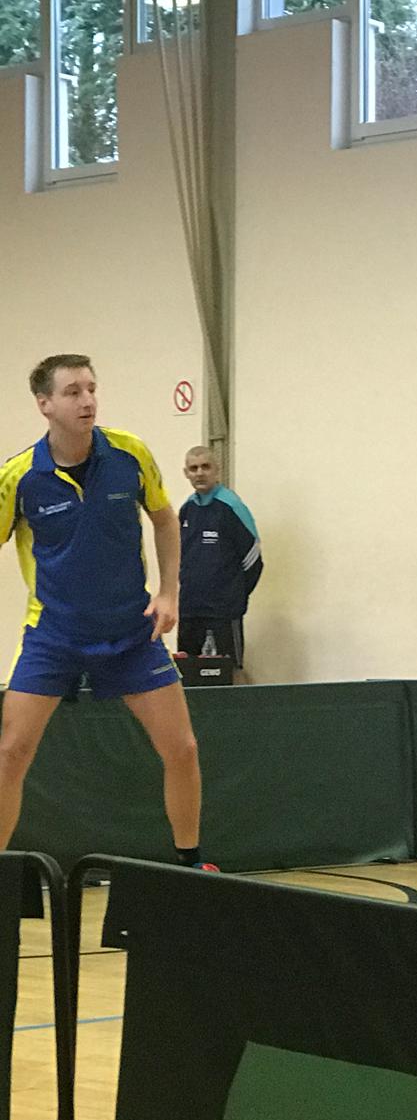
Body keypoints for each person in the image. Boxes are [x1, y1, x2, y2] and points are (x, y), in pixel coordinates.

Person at [0, 354, 212, 868]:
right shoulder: (18, 476)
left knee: (182, 748)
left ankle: (191, 863)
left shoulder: (129, 453)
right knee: (10, 753)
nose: (87, 400)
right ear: (45, 404)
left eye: (91, 388)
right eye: (72, 392)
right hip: (52, 636)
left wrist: (169, 594)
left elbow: (165, 520)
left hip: (131, 633)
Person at [178, 445, 262, 671]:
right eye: (193, 468)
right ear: (186, 473)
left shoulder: (231, 507)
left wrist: (233, 595)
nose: (199, 473)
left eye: (205, 467)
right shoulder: (187, 510)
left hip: (223, 613)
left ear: (217, 469)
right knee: (188, 675)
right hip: (190, 610)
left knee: (228, 673)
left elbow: (253, 560)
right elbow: (179, 557)